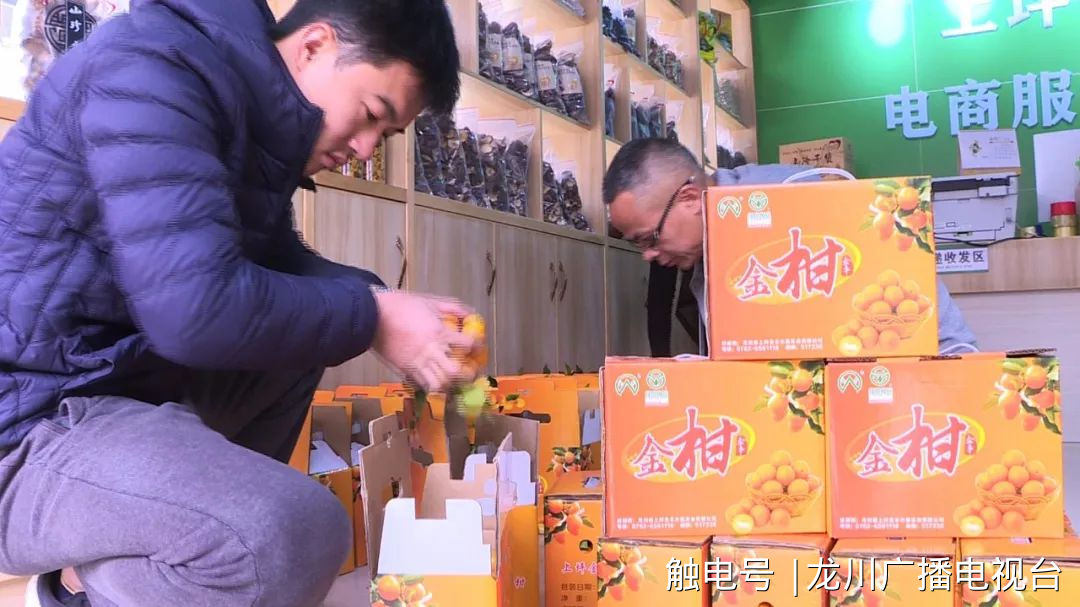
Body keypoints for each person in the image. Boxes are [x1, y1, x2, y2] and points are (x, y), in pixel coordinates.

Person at [0, 1, 477, 606]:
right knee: (292, 535)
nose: (364, 148)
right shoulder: (152, 68)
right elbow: (193, 311)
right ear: (314, 46)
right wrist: (374, 317)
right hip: (23, 423)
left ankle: (141, 564)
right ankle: (102, 582)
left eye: (383, 137)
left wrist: (381, 302)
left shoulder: (246, 111)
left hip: (104, 392)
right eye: (370, 115)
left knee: (309, 331)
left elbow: (276, 268)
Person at [603, 138, 979, 355]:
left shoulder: (796, 202)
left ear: (688, 199)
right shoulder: (707, 246)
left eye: (649, 238)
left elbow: (936, 331)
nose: (649, 254)